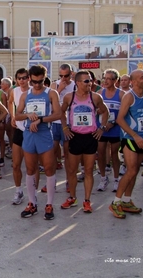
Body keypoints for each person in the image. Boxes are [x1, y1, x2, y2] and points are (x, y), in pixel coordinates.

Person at [15, 65, 61, 220]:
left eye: (40, 81)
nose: (36, 84)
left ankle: (49, 204)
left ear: (44, 78)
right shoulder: (25, 95)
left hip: (44, 133)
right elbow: (17, 115)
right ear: (30, 78)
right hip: (29, 134)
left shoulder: (51, 93)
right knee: (30, 169)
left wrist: (40, 119)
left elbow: (58, 114)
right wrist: (28, 115)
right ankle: (32, 202)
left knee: (49, 168)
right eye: (34, 81)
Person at [61, 70, 109, 213]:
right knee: (72, 170)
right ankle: (72, 197)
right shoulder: (70, 97)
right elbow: (61, 112)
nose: (90, 83)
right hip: (75, 136)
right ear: (78, 83)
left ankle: (87, 200)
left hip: (90, 137)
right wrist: (65, 128)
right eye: (86, 81)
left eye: (91, 80)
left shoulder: (96, 97)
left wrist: (102, 128)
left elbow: (105, 111)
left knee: (88, 170)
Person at [109, 70, 143, 219]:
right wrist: (135, 136)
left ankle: (127, 200)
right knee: (131, 171)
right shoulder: (129, 97)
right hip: (130, 138)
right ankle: (116, 202)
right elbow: (120, 119)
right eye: (142, 77)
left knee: (135, 171)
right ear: (133, 81)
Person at [96, 69, 125, 192]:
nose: (106, 81)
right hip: (102, 127)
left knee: (114, 153)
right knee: (101, 153)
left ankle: (116, 178)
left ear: (115, 80)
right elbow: (95, 109)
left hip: (115, 127)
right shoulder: (100, 92)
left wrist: (112, 122)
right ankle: (103, 178)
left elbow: (124, 113)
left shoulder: (121, 94)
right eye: (105, 78)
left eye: (109, 78)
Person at [48, 64, 75, 190]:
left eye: (66, 75)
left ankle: (69, 181)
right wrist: (59, 90)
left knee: (68, 154)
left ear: (71, 74)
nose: (64, 78)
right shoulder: (55, 85)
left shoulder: (75, 85)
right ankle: (51, 181)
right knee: (52, 152)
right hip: (55, 122)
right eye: (61, 76)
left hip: (69, 123)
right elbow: (49, 101)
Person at [8, 68, 31, 205]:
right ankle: (18, 191)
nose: (22, 80)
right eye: (19, 78)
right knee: (16, 164)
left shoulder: (34, 90)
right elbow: (10, 102)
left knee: (30, 166)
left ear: (29, 78)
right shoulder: (14, 91)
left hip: (32, 130)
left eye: (24, 78)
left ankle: (32, 195)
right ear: (16, 80)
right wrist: (12, 116)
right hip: (19, 130)